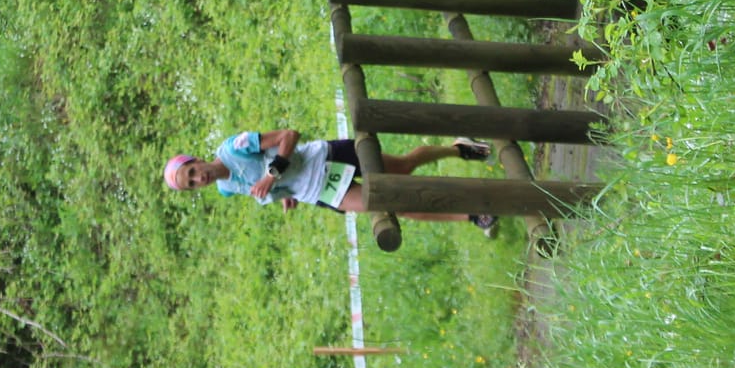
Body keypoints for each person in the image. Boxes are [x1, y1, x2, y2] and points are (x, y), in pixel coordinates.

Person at [163, 129, 500, 235]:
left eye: (192, 172)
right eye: (191, 184)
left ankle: (457, 149)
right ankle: (473, 214)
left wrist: (272, 175)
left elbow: (288, 137)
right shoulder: (226, 188)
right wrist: (281, 194)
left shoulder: (233, 149)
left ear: (195, 160)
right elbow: (264, 184)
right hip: (318, 190)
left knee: (405, 169)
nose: (198, 178)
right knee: (395, 203)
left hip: (326, 158)